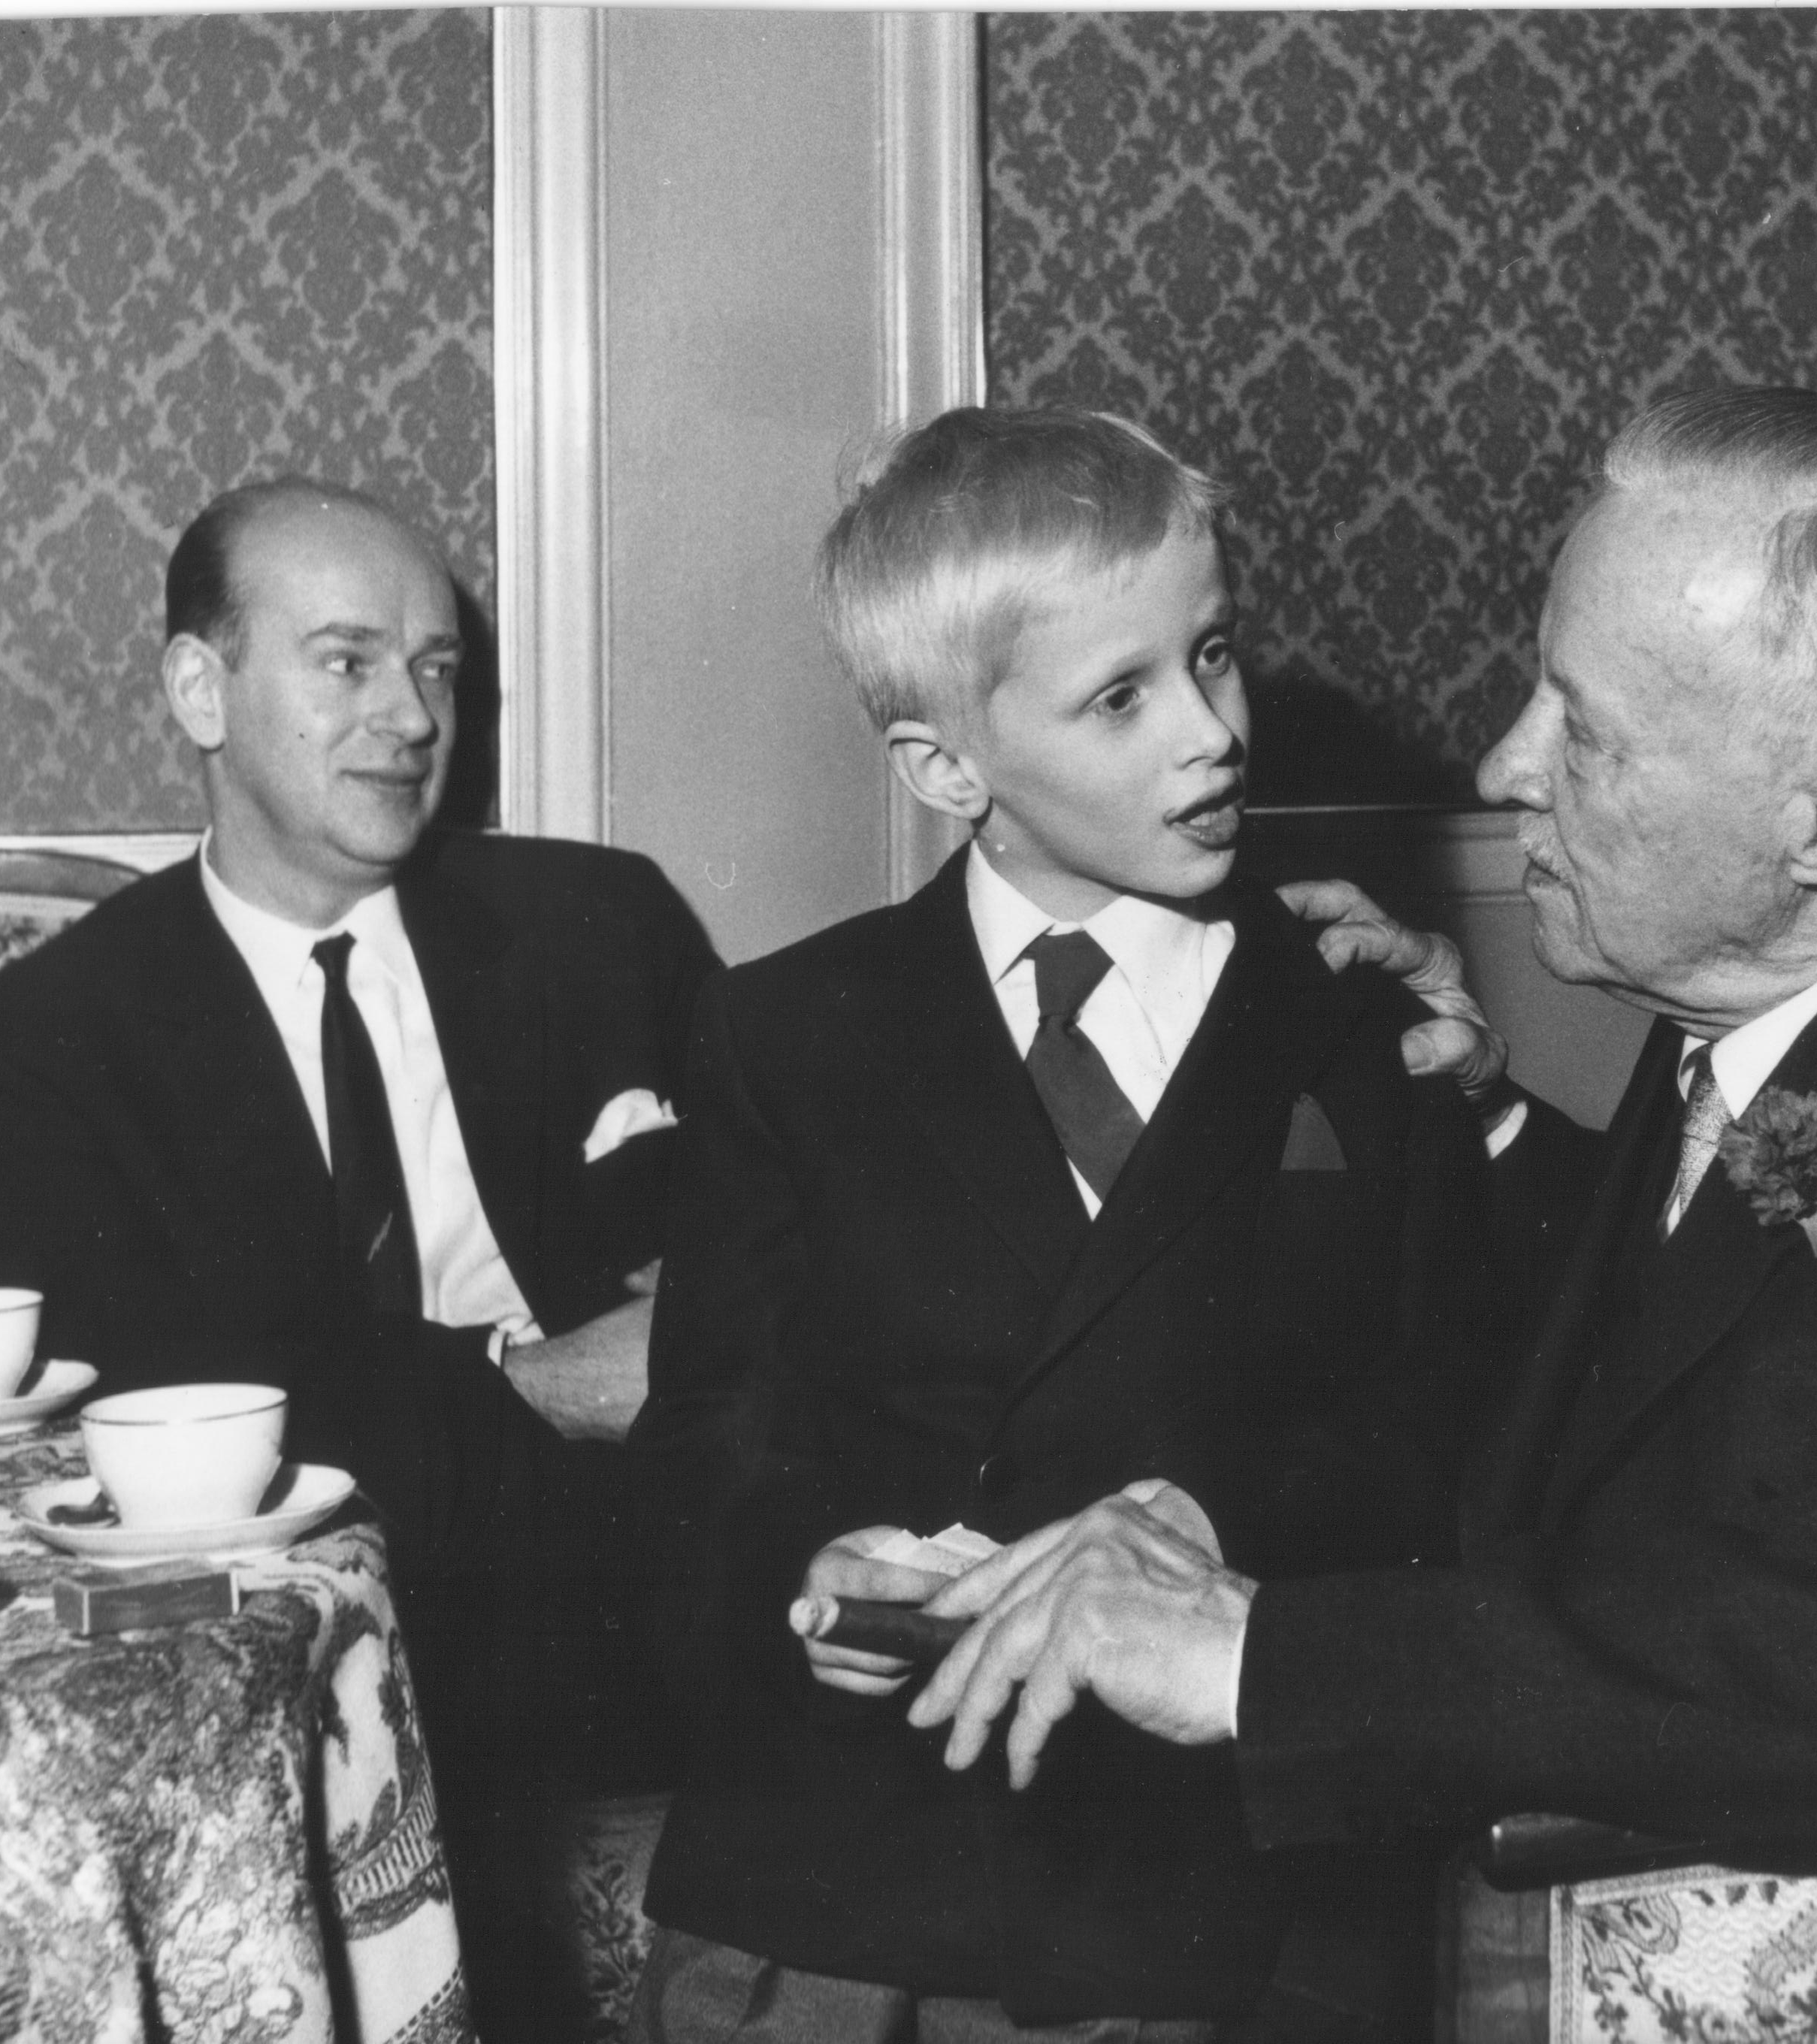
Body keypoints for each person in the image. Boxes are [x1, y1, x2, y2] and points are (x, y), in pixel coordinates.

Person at [905, 386, 1817, 1870]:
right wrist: (1488, 1127)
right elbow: (1715, 1338)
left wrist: (1264, 1660)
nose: (1503, 768)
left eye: (1582, 733)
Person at [627, 408, 1498, 2041]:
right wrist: (812, 1580)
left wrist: (1212, 1510)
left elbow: (1443, 1426)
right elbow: (709, 1451)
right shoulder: (787, 1031)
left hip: (1218, 1889)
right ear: (948, 768)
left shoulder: (1355, 1015)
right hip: (855, 1873)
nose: (1213, 734)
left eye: (1215, 655)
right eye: (1122, 697)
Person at [0, 477, 716, 2035]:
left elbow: (766, 1235)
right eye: (347, 663)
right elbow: (164, 1401)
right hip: (297, 1630)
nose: (411, 719)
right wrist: (538, 1377)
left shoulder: (598, 924)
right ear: (200, 690)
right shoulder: (36, 1045)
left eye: (435, 669)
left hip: (640, 1589)